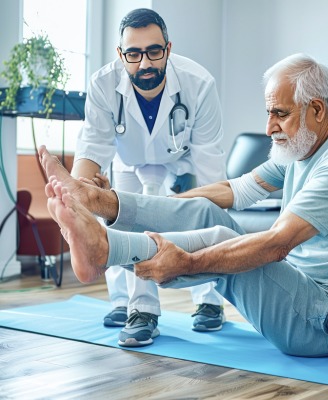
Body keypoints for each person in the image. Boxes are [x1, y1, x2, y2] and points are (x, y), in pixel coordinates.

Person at [39, 53, 328, 357]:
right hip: (302, 296)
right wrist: (126, 202)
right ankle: (96, 200)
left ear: (317, 109)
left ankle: (104, 249)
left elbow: (277, 244)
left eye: (279, 113)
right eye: (268, 112)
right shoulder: (306, 145)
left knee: (221, 233)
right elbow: (233, 191)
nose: (269, 126)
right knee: (204, 211)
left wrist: (190, 262)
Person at [71, 8, 227, 346]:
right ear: (121, 55)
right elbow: (92, 149)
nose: (145, 63)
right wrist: (77, 200)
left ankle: (209, 301)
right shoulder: (102, 84)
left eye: (154, 52)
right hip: (129, 162)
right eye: (134, 54)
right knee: (121, 222)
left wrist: (201, 201)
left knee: (201, 219)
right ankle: (133, 306)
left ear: (168, 50)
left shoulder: (199, 84)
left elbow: (210, 162)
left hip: (183, 162)